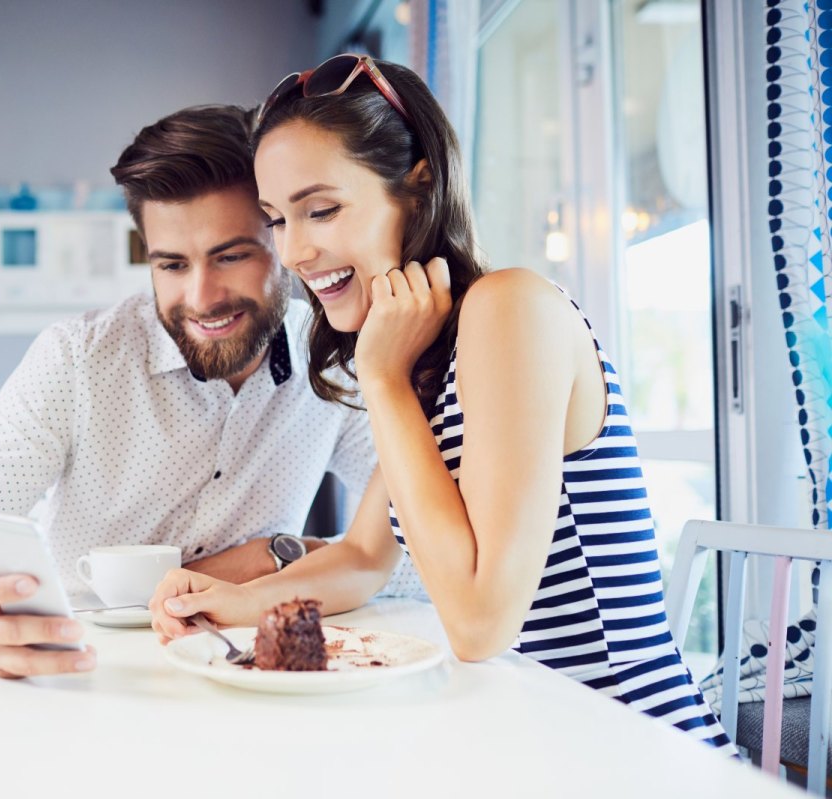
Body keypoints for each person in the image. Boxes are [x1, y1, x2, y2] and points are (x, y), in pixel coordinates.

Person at [148, 56, 736, 754]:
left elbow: (482, 622)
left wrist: (384, 381)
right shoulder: (432, 351)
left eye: (323, 209)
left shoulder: (508, 309)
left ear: (418, 189)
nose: (296, 250)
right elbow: (366, 554)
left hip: (628, 747)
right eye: (277, 219)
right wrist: (233, 603)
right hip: (532, 734)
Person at [0, 104, 424, 679]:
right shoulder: (78, 361)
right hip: (85, 679)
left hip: (244, 688)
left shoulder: (338, 366)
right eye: (172, 265)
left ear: (283, 239)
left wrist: (280, 555)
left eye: (231, 256)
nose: (202, 297)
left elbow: (422, 558)